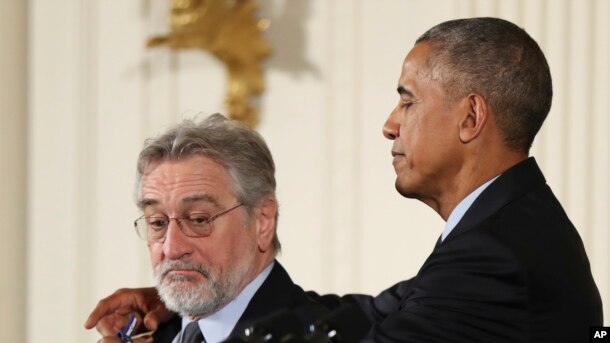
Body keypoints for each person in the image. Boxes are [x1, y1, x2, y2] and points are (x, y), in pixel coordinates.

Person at [86, 17, 603, 342]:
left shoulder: (495, 257)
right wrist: (196, 307)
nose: (390, 124)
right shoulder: (503, 231)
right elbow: (370, 313)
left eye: (408, 100)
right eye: (156, 222)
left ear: (471, 118)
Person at [85, 114, 325, 342]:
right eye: (157, 222)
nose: (171, 248)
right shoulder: (144, 334)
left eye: (199, 220)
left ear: (263, 221)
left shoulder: (335, 331)